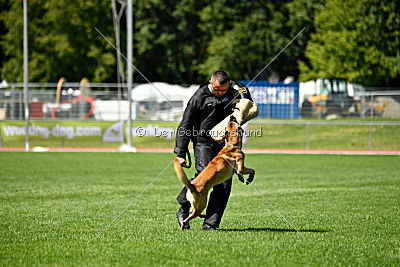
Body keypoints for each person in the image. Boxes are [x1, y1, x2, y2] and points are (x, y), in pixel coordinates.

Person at [174, 70, 254, 230]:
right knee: (203, 174)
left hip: (224, 142)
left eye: (224, 90)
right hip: (203, 141)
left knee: (224, 183)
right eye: (217, 90)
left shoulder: (235, 90)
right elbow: (186, 124)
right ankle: (183, 208)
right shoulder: (199, 97)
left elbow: (248, 104)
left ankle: (210, 225)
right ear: (211, 83)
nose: (220, 93)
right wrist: (181, 152)